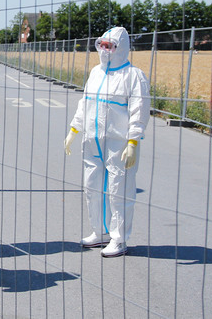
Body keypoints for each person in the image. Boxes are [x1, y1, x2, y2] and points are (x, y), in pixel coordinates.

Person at [64, 26, 150, 257]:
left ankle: (119, 238)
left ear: (120, 48)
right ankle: (100, 231)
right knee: (92, 187)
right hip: (92, 140)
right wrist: (74, 129)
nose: (104, 50)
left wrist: (133, 141)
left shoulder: (133, 76)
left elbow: (139, 110)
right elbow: (85, 103)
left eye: (109, 46)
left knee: (119, 190)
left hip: (118, 143)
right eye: (102, 45)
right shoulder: (96, 72)